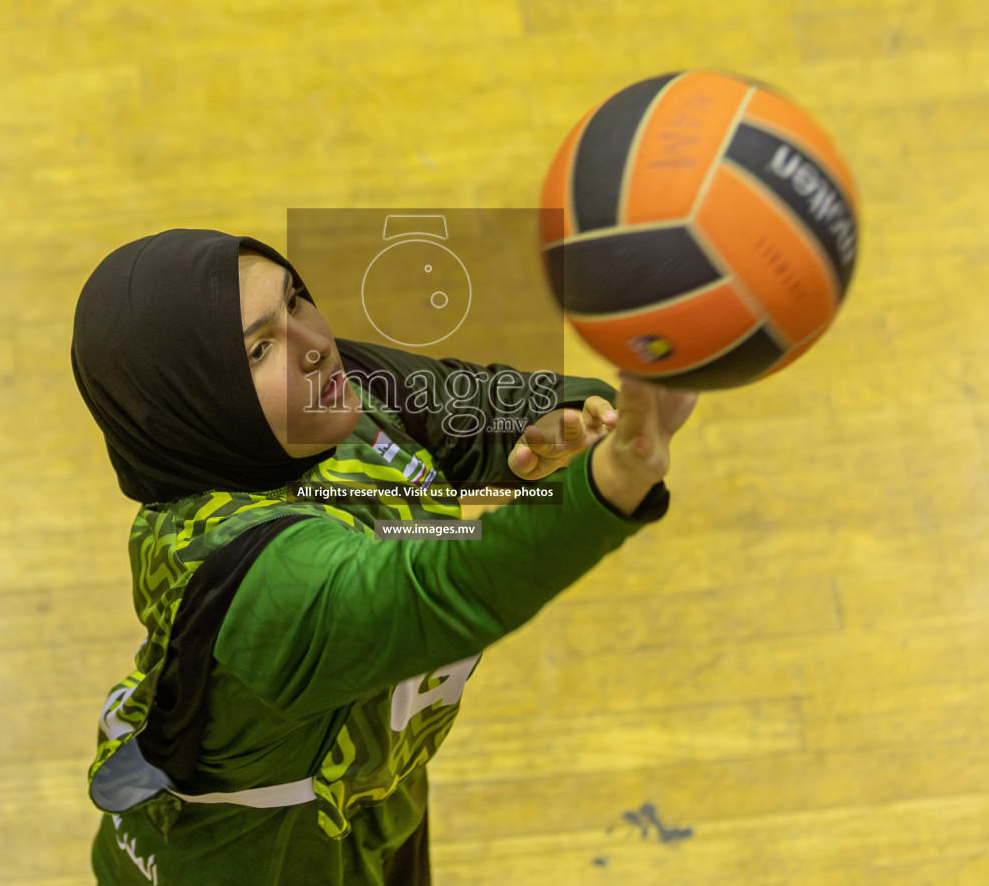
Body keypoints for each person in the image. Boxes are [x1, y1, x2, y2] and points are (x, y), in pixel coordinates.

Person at [71, 228, 698, 885]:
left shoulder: (331, 398)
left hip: (371, 801)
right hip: (259, 859)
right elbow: (437, 594)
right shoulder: (249, 578)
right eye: (259, 348)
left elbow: (476, 403)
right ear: (190, 401)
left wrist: (574, 420)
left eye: (295, 301)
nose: (314, 345)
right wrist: (615, 480)